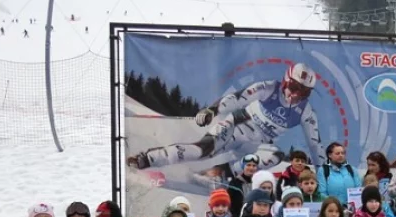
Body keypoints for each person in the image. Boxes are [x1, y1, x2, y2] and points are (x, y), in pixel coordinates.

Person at [126, 63, 324, 170]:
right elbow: (238, 98)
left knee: (274, 156)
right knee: (201, 151)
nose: (296, 95)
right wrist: (212, 110)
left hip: (256, 144)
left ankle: (222, 173)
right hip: (235, 127)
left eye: (304, 92)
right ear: (285, 81)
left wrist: (325, 175)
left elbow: (315, 146)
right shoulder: (269, 88)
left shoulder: (306, 112)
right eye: (294, 87)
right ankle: (149, 158)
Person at [227, 153, 260, 217]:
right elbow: (229, 203)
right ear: (243, 166)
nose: (251, 168)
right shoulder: (235, 183)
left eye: (254, 166)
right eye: (248, 165)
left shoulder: (260, 183)